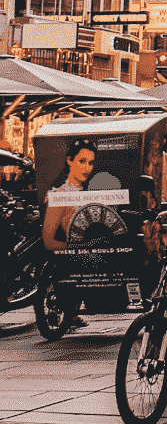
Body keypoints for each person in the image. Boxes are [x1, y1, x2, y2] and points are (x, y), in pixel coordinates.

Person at [42, 139, 99, 331]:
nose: (87, 167)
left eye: (91, 163)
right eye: (82, 161)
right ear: (69, 160)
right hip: (71, 252)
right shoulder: (60, 194)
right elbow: (49, 239)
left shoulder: (87, 192)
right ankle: (70, 311)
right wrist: (77, 248)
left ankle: (74, 312)